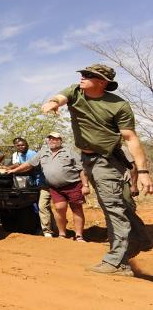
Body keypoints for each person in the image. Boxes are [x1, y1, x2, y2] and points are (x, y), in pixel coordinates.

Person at [42, 64, 153, 275]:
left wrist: (144, 172)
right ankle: (140, 238)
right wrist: (52, 103)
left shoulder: (119, 105)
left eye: (89, 76)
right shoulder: (76, 91)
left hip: (107, 161)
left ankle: (117, 262)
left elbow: (130, 138)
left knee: (113, 208)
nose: (82, 77)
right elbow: (60, 97)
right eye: (82, 74)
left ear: (102, 82)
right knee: (117, 204)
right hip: (88, 160)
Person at [9, 132, 90, 241]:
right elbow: (28, 164)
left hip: (73, 185)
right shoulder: (43, 152)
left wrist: (85, 185)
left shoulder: (70, 151)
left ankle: (79, 235)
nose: (52, 141)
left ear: (60, 140)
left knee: (76, 209)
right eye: (50, 139)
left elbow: (82, 169)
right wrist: (13, 170)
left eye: (55, 139)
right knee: (59, 209)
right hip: (54, 187)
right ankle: (62, 234)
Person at [7, 137, 53, 237]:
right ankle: (39, 228)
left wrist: (15, 170)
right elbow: (19, 165)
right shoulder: (19, 155)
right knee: (34, 206)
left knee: (41, 206)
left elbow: (29, 168)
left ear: (27, 145)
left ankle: (46, 229)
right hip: (30, 183)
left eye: (22, 145)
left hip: (39, 182)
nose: (20, 147)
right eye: (18, 145)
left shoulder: (31, 154)